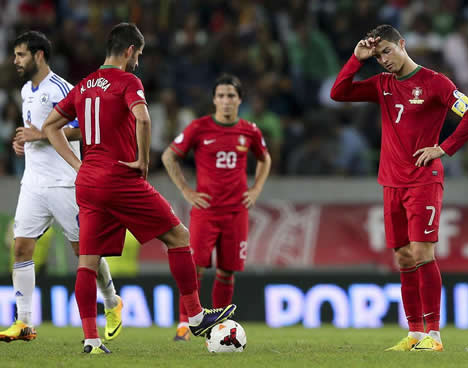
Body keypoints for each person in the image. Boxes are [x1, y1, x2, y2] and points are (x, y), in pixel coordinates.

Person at [42, 23, 236, 354]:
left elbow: (50, 126)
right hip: (119, 177)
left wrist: (78, 165)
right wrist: (143, 160)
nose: (138, 62)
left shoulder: (85, 84)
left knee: (87, 263)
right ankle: (196, 315)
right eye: (139, 55)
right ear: (130, 50)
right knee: (179, 237)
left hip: (88, 182)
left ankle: (91, 339)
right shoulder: (128, 81)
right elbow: (144, 119)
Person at [331, 24, 468, 352]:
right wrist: (357, 59)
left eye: (387, 50)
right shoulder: (382, 85)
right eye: (378, 55)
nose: (383, 59)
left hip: (423, 181)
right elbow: (338, 93)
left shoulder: (436, 83)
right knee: (402, 257)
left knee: (421, 253)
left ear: (402, 44)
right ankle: (415, 332)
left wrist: (442, 148)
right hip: (391, 182)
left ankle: (435, 335)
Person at [0, 31, 123, 343]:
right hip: (33, 183)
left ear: (39, 55)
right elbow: (34, 133)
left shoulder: (63, 88)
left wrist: (38, 136)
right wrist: (23, 143)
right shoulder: (27, 89)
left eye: (21, 54)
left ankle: (111, 300)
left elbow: (85, 129)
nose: (15, 61)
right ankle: (24, 322)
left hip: (65, 183)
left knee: (84, 252)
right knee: (21, 247)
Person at [162, 74, 271, 341]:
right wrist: (186, 191)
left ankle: (219, 325)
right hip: (206, 211)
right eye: (221, 96)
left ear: (239, 100)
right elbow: (169, 156)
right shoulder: (199, 128)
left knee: (227, 270)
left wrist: (256, 189)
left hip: (236, 212)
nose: (225, 101)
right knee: (194, 268)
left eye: (231, 96)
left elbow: (264, 159)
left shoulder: (250, 130)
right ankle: (185, 325)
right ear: (214, 100)